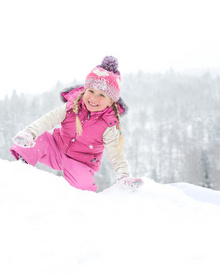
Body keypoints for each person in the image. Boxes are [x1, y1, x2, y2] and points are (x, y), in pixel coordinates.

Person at [10, 56, 143, 192]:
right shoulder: (71, 106)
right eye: (91, 91)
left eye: (102, 95)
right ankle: (21, 170)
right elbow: (47, 120)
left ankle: (82, 197)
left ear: (111, 102)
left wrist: (123, 175)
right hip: (55, 149)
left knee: (83, 187)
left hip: (81, 163)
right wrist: (29, 133)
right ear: (85, 90)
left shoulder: (108, 124)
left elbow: (116, 153)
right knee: (37, 140)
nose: (93, 98)